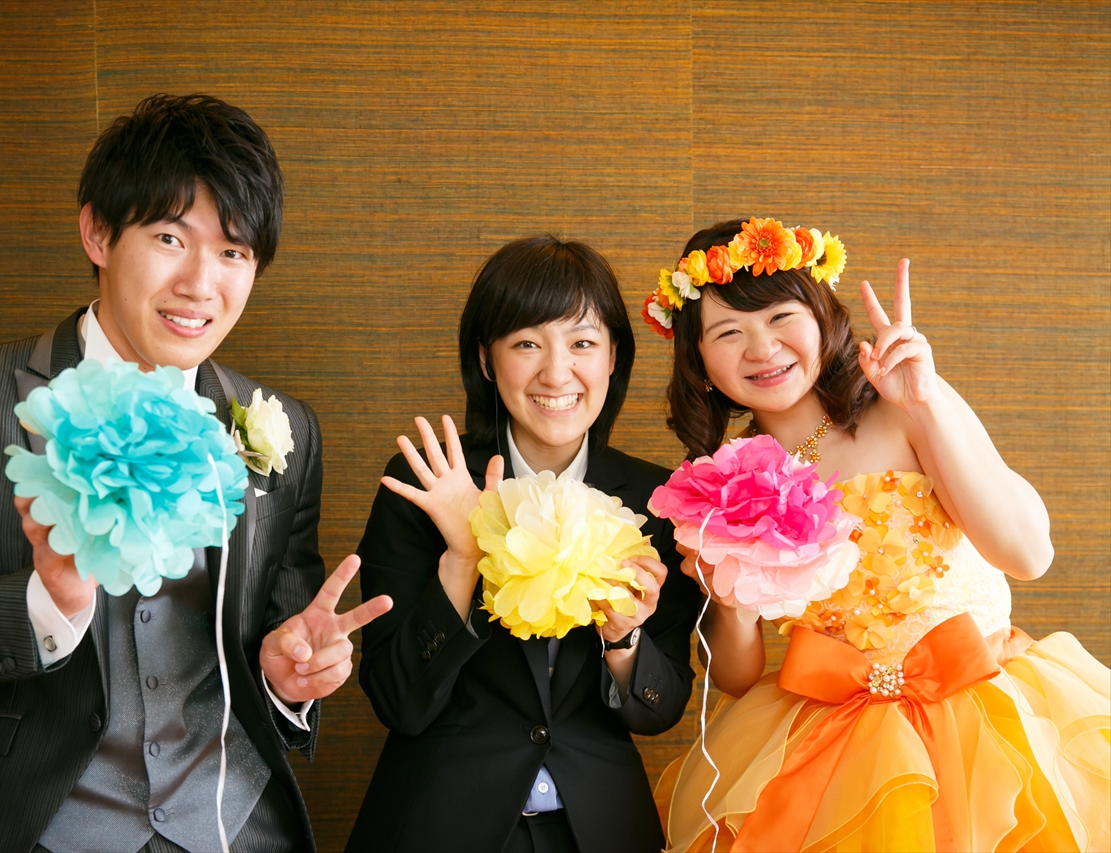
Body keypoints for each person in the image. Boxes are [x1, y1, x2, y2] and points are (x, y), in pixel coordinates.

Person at [0, 93, 391, 853]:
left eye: (234, 253)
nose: (201, 284)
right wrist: (48, 602)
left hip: (232, 826)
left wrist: (285, 680)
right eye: (171, 238)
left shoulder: (285, 430)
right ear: (98, 233)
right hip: (29, 826)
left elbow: (280, 634)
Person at [649, 218, 1109, 852]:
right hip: (831, 740)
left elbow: (1028, 554)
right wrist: (729, 603)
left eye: (781, 317)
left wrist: (927, 404)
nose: (762, 347)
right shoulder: (725, 481)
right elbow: (736, 677)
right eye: (729, 332)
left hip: (983, 713)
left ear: (821, 317)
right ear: (699, 360)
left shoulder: (903, 405)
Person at [345, 236, 702, 853]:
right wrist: (463, 559)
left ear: (613, 357)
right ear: (487, 360)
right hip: (441, 824)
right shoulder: (426, 484)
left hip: (599, 828)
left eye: (582, 343)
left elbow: (659, 709)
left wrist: (624, 640)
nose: (557, 373)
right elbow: (398, 701)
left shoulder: (660, 499)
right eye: (527, 344)